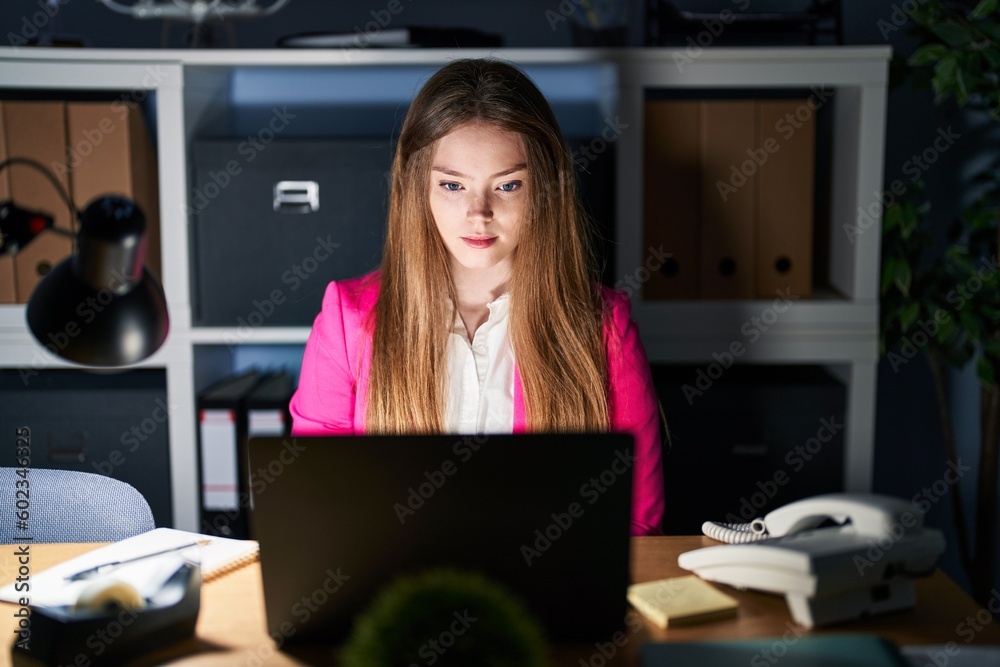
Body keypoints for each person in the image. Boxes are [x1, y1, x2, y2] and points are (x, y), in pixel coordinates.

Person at [290, 58, 664, 535]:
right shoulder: (347, 320)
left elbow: (636, 524)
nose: (478, 214)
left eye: (508, 185)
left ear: (544, 188)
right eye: (452, 185)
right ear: (417, 187)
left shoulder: (604, 326)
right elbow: (317, 510)